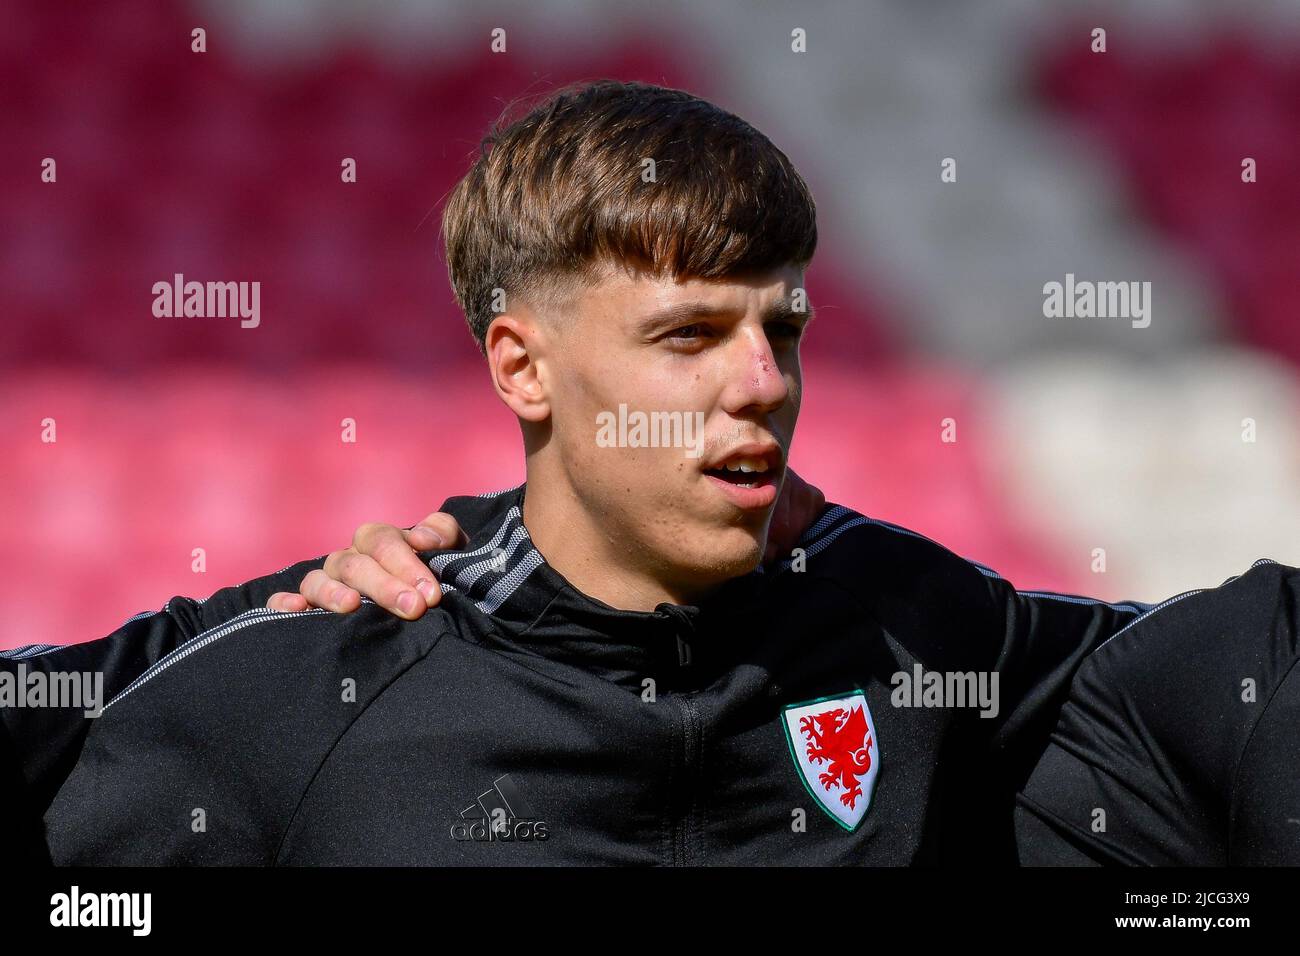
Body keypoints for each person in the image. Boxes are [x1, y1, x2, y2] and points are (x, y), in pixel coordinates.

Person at [1, 80, 1149, 866]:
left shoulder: (926, 636)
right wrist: (261, 611)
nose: (763, 380)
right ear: (523, 367)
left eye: (783, 328)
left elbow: (1245, 680)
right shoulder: (315, 686)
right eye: (689, 335)